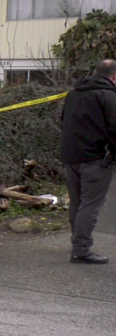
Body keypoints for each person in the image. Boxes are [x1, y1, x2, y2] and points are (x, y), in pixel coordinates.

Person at [60, 59, 116, 264]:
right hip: (95, 158)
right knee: (90, 205)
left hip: (70, 157)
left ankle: (77, 243)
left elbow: (63, 120)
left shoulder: (73, 94)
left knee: (77, 203)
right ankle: (81, 250)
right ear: (114, 76)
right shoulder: (108, 96)